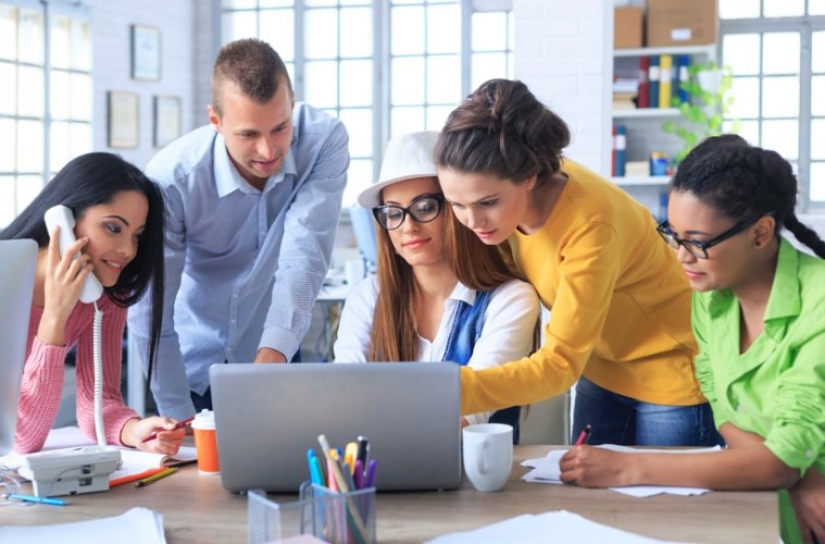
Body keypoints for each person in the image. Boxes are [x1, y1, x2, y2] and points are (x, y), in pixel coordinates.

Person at [559, 134, 825, 544]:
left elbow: (787, 450)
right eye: (673, 234)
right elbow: (723, 408)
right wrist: (787, 472)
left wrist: (629, 467)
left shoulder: (819, 304)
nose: (680, 256)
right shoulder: (711, 297)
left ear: (760, 233)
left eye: (697, 242)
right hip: (763, 499)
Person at [435, 78, 719, 447]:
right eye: (456, 204)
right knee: (586, 496)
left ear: (530, 177)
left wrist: (443, 390)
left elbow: (558, 366)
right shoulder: (504, 209)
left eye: (487, 203)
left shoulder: (590, 224)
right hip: (600, 369)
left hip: (671, 372)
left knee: (665, 504)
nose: (471, 221)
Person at [128, 38, 349, 420]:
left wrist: (273, 355)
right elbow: (151, 311)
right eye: (249, 134)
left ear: (292, 107)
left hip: (274, 347)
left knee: (282, 472)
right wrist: (179, 417)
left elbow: (304, 253)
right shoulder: (173, 181)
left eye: (280, 128)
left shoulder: (323, 143)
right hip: (193, 365)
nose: (268, 151)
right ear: (216, 121)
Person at [333, 131, 540, 439]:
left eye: (425, 207)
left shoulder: (510, 299)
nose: (408, 225)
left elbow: (470, 410)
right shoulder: (367, 297)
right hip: (381, 477)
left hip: (476, 481)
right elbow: (343, 400)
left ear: (457, 208)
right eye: (393, 213)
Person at [1, 152, 185, 454]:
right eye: (113, 228)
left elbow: (99, 402)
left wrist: (134, 430)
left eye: (137, 236)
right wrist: (54, 318)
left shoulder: (104, 296)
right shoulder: (5, 274)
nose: (127, 250)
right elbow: (20, 437)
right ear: (64, 219)